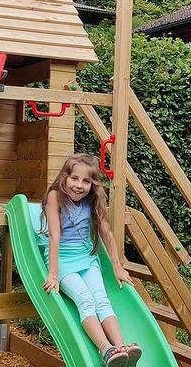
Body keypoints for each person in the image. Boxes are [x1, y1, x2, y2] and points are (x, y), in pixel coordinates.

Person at [41, 153, 143, 366]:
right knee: (85, 300)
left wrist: (117, 267)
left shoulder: (92, 200)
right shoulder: (55, 196)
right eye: (74, 178)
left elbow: (106, 231)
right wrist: (53, 273)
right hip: (64, 261)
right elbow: (54, 235)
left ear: (92, 184)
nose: (79, 185)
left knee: (102, 300)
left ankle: (121, 349)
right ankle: (106, 350)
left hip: (87, 258)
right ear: (64, 178)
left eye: (86, 181)